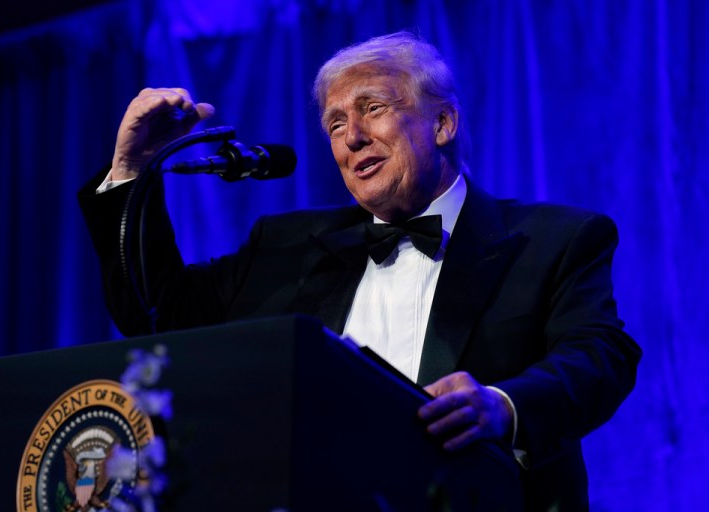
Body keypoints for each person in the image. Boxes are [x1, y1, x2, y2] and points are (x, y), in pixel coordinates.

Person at [79, 31, 641, 510]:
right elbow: (157, 311)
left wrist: (502, 405)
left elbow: (599, 354)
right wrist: (131, 172)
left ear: (443, 122)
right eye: (335, 123)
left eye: (372, 108)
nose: (351, 137)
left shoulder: (555, 239)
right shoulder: (284, 247)